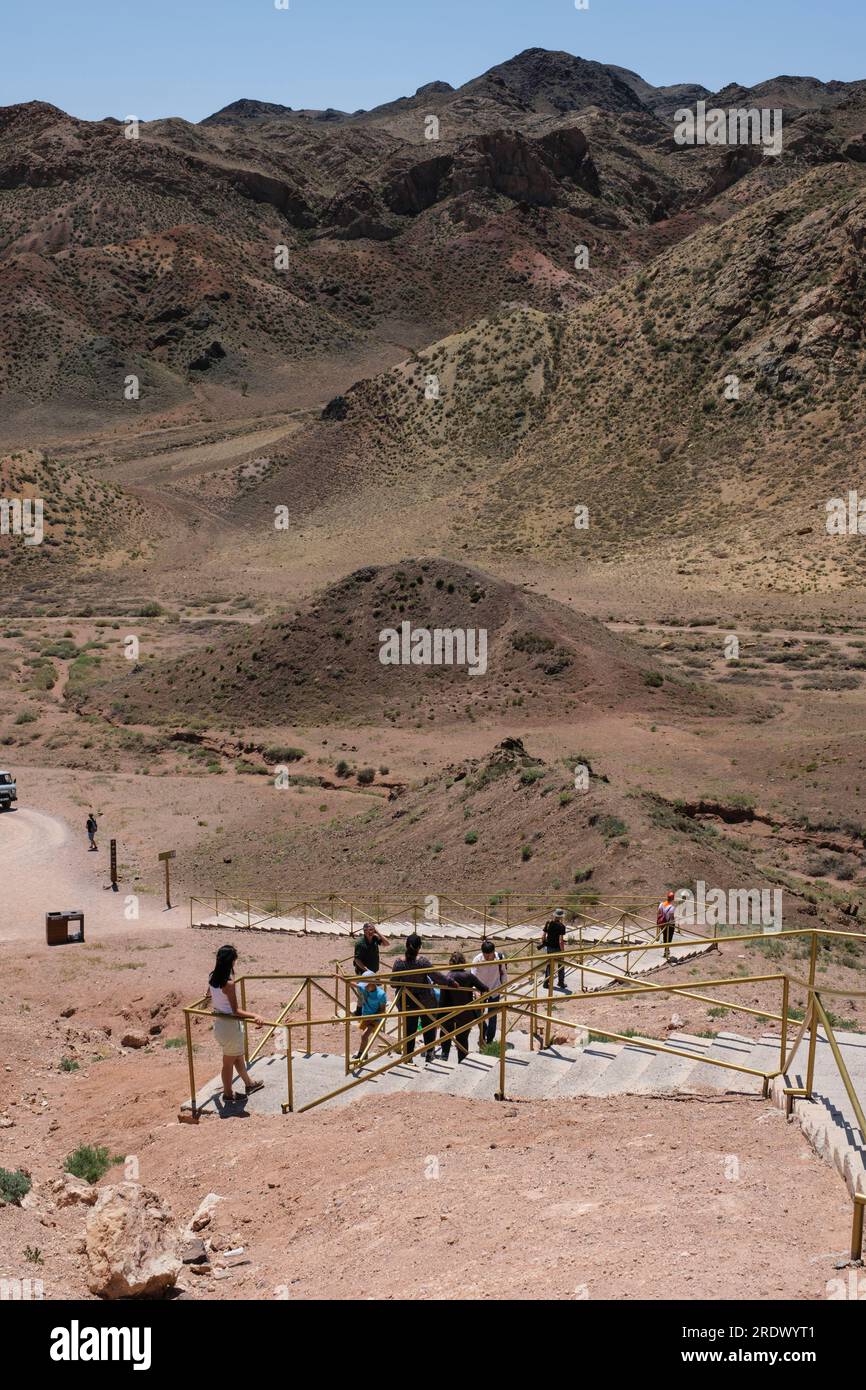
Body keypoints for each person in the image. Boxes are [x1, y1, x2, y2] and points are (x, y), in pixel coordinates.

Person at [207, 944, 265, 1104]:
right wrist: (256, 1015)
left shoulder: (212, 976)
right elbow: (236, 1011)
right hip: (230, 1027)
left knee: (238, 1057)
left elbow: (208, 993)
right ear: (231, 962)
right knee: (227, 1063)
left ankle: (249, 1084)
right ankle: (228, 1094)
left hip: (220, 1025)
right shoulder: (229, 984)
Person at [390, 933, 438, 1062]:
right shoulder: (423, 961)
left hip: (407, 1001)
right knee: (428, 1026)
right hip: (425, 1000)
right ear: (420, 947)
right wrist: (451, 982)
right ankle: (429, 1053)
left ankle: (408, 1056)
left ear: (406, 945)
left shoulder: (399, 963)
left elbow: (393, 984)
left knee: (409, 1029)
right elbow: (436, 977)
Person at [434, 953, 484, 1063]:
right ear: (463, 962)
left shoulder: (448, 977)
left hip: (448, 1011)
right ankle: (462, 1061)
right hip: (465, 1012)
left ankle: (444, 1056)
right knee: (462, 1038)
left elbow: (442, 999)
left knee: (446, 1033)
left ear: (451, 963)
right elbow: (484, 988)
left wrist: (438, 1017)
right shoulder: (469, 976)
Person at [471, 938, 508, 1044]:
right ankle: (483, 1032)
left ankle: (490, 1041)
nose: (487, 957)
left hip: (494, 989)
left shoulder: (500, 958)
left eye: (489, 955)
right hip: (481, 991)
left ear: (493, 952)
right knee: (478, 1013)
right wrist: (475, 991)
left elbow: (504, 973)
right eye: (485, 955)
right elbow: (473, 977)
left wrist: (503, 988)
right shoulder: (477, 960)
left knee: (492, 1016)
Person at [353, 970, 388, 1062]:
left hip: (375, 1019)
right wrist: (339, 977)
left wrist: (372, 1018)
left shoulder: (381, 994)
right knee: (364, 1036)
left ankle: (361, 1055)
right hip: (366, 1016)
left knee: (364, 1036)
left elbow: (382, 1011)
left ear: (372, 983)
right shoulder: (364, 988)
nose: (365, 987)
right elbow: (351, 984)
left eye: (366, 985)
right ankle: (364, 1053)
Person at [353, 922, 385, 1014]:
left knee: (376, 991)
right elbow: (357, 960)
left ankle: (374, 1010)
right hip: (363, 973)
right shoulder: (360, 943)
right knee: (362, 993)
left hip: (373, 972)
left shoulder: (375, 939)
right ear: (364, 931)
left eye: (372, 930)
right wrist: (367, 970)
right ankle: (359, 1012)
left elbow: (387, 943)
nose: (370, 932)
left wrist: (377, 932)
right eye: (368, 930)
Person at [541, 908, 569, 992]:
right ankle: (561, 982)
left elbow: (543, 936)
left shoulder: (548, 923)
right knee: (561, 965)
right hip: (557, 948)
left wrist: (544, 944)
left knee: (549, 965)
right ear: (561, 917)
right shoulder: (561, 926)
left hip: (549, 947)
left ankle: (546, 983)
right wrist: (562, 951)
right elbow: (561, 940)